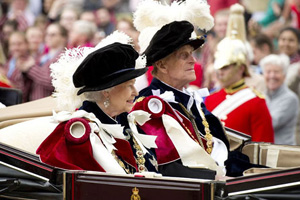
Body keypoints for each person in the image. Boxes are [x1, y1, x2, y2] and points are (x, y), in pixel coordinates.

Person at [36, 31, 158, 174]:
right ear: (107, 91)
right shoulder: (80, 131)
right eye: (129, 85)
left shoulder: (125, 121)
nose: (136, 93)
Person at [204, 33, 274, 143]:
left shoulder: (256, 102)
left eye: (226, 67)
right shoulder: (211, 99)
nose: (220, 72)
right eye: (219, 68)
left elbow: (262, 145)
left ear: (241, 68)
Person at [261, 54, 299, 145]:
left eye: (276, 72)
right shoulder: (262, 96)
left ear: (284, 75)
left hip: (282, 153)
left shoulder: (290, 99)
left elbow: (270, 124)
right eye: (268, 72)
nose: (272, 76)